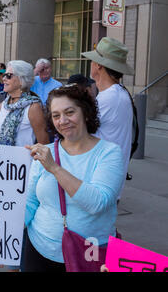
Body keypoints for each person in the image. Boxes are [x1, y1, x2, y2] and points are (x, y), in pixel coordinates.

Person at [22, 84, 124, 271]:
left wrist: (54, 168)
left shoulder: (109, 153)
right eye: (56, 115)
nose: (63, 121)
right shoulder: (47, 152)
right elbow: (30, 203)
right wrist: (1, 240)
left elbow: (97, 203)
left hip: (89, 253)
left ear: (85, 113)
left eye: (69, 112)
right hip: (38, 249)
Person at [81, 37, 135, 200]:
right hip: (105, 180)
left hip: (99, 182)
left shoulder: (109, 98)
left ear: (98, 65)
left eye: (92, 60)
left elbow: (80, 132)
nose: (91, 64)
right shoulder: (119, 93)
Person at [0, 60, 49, 147]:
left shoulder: (33, 107)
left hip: (24, 159)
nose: (4, 78)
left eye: (8, 76)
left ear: (21, 80)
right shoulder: (2, 105)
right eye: (4, 75)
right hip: (0, 159)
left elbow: (44, 144)